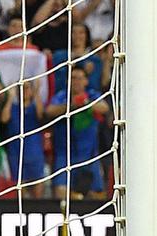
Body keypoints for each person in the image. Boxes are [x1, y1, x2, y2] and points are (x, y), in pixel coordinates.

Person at [45, 66, 110, 200]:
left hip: (89, 155)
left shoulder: (92, 95)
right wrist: (71, 105)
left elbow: (104, 107)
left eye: (80, 78)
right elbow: (50, 111)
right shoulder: (62, 96)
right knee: (61, 193)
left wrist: (85, 103)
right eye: (73, 78)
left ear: (86, 81)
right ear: (68, 81)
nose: (76, 81)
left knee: (97, 195)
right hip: (65, 155)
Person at [0, 81, 46, 199]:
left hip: (34, 153)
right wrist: (10, 97)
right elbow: (4, 118)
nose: (24, 91)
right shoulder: (13, 108)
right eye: (21, 88)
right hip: (16, 153)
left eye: (27, 88)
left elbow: (42, 115)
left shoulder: (35, 107)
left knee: (37, 189)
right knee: (20, 189)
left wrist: (36, 94)